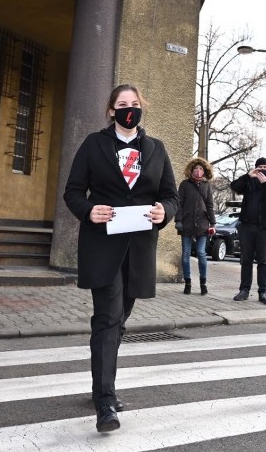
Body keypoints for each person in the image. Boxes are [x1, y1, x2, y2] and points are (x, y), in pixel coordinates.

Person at [63, 83, 178, 432]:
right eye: (122, 104)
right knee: (109, 317)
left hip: (140, 249)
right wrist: (89, 211)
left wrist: (164, 212)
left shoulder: (156, 149)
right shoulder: (94, 144)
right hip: (103, 245)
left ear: (142, 108)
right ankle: (105, 402)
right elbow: (72, 192)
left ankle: (102, 379)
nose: (129, 109)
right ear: (112, 111)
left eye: (135, 103)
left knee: (118, 319)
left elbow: (170, 195)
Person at [230, 157, 266, 305]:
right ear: (255, 169)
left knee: (263, 261)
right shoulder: (249, 181)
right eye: (259, 167)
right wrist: (248, 175)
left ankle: (263, 292)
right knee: (246, 260)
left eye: (265, 167)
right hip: (247, 227)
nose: (262, 170)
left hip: (265, 228)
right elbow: (235, 186)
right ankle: (244, 290)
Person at [175, 157, 216, 295]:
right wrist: (178, 221)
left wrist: (213, 223)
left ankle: (203, 283)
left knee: (201, 253)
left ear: (205, 171)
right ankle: (188, 283)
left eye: (201, 169)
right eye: (196, 169)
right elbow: (178, 203)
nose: (198, 171)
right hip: (186, 224)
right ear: (191, 171)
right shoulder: (185, 185)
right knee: (186, 254)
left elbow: (210, 205)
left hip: (203, 224)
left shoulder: (206, 186)